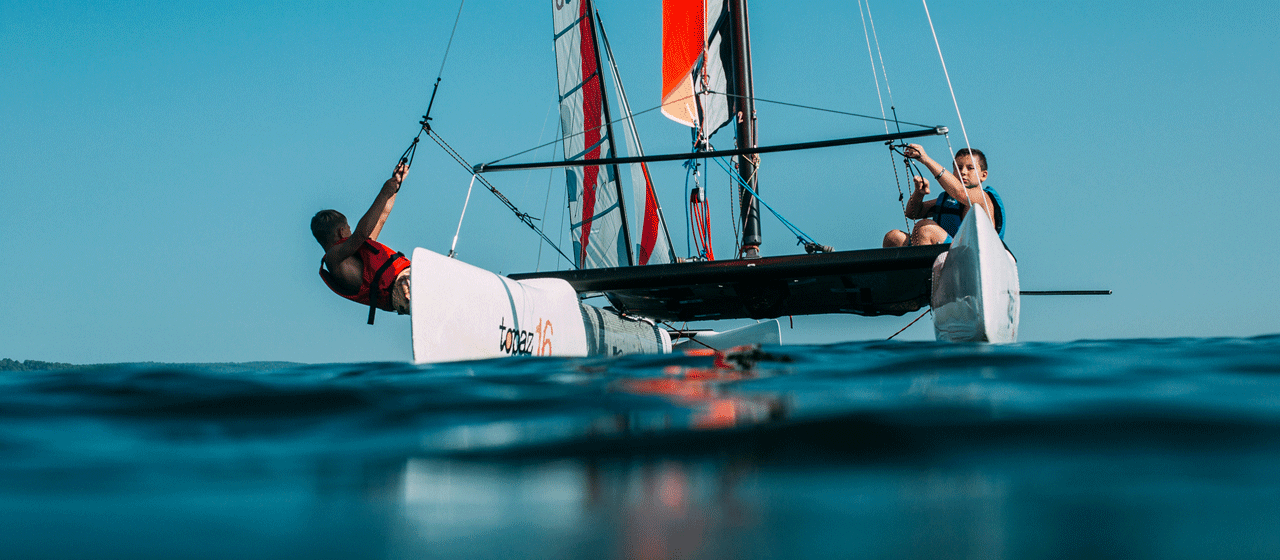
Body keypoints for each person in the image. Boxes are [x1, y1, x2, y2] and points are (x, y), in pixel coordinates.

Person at [311, 162, 412, 324]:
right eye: (349, 228)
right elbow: (362, 233)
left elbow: (381, 215)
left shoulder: (358, 251)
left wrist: (396, 183)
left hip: (404, 280)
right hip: (401, 285)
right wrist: (383, 192)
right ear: (342, 231)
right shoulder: (333, 258)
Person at [882, 145, 1005, 247]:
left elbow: (960, 192)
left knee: (925, 229)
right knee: (893, 237)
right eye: (958, 168)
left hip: (971, 257)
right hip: (946, 254)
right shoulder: (948, 200)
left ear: (983, 175)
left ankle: (927, 274)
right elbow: (912, 213)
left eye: (970, 168)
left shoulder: (983, 198)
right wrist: (919, 194)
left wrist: (925, 159)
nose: (963, 172)